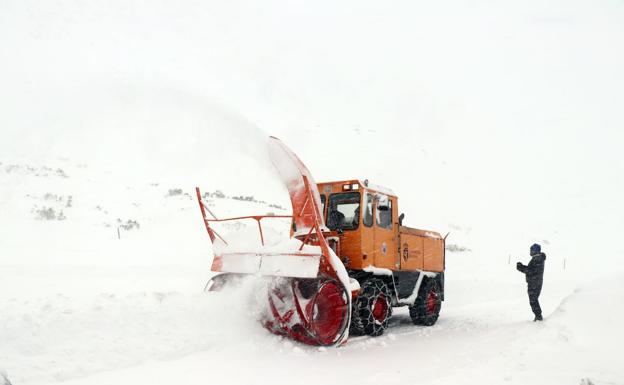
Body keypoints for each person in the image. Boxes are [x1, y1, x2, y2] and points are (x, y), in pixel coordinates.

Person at [517, 243, 546, 321]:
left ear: (535, 251)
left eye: (532, 250)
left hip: (535, 283)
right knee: (533, 300)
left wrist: (521, 267)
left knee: (533, 300)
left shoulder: (538, 259)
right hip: (534, 282)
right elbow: (531, 269)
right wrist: (522, 267)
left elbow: (531, 271)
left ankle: (538, 317)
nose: (530, 251)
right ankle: (538, 316)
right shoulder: (537, 258)